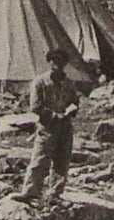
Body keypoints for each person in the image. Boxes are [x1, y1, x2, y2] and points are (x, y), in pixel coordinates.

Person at [16, 48, 79, 203]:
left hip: (65, 126)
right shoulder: (40, 82)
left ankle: (55, 194)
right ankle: (31, 192)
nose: (57, 64)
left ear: (65, 63)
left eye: (60, 61)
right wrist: (53, 115)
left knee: (62, 161)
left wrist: (71, 109)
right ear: (49, 62)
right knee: (39, 159)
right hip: (48, 127)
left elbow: (74, 101)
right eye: (54, 60)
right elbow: (35, 106)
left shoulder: (69, 83)